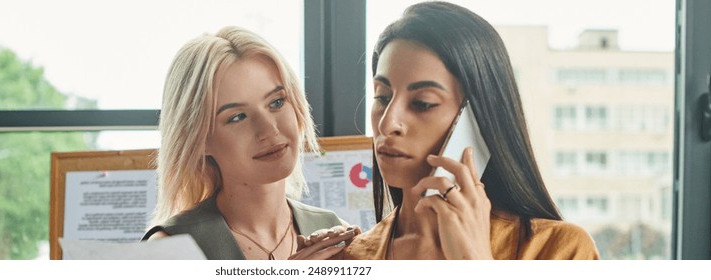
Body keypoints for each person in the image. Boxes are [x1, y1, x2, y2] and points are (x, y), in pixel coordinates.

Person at [337, 1, 598, 259]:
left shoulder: (561, 250)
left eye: (422, 103)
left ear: (475, 122)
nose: (387, 124)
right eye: (382, 97)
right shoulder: (351, 258)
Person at [141, 26, 358, 260]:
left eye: (276, 102)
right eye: (237, 117)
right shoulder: (169, 250)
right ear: (200, 139)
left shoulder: (339, 235)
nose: (269, 129)